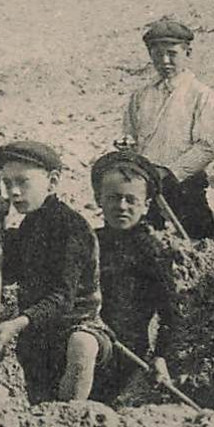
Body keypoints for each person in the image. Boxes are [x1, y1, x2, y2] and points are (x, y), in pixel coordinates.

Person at [0, 140, 114, 404]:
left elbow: (62, 297)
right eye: (6, 183)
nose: (13, 192)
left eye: (23, 182)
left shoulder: (71, 229)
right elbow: (11, 273)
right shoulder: (30, 224)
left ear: (53, 181)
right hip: (38, 335)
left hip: (75, 329)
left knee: (79, 354)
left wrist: (16, 323)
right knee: (40, 405)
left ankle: (73, 415)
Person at [122, 17, 214, 240]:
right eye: (157, 54)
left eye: (172, 53)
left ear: (187, 52)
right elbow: (130, 135)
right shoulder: (140, 96)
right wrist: (127, 148)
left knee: (197, 240)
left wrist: (170, 173)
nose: (165, 61)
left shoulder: (201, 94)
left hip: (185, 186)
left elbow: (206, 147)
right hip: (146, 187)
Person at [88, 150, 180, 405]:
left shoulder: (151, 252)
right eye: (114, 198)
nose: (121, 207)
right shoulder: (88, 241)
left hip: (126, 353)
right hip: (84, 337)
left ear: (146, 205)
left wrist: (161, 357)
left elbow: (170, 312)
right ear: (98, 199)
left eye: (131, 200)